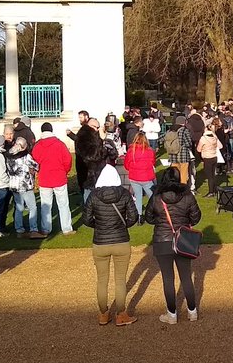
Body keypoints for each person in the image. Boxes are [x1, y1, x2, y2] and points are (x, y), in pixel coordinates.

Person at [144, 168, 202, 323]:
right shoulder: (187, 195)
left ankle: (172, 314)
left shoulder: (157, 196)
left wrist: (161, 222)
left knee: (167, 279)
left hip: (162, 241)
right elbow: (196, 217)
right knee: (186, 277)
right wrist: (185, 223)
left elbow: (148, 217)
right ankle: (192, 311)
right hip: (182, 241)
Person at [84, 164, 139, 326]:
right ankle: (121, 314)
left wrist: (99, 226)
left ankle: (103, 313)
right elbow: (133, 216)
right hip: (121, 240)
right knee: (120, 280)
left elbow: (86, 219)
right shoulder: (124, 194)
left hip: (100, 242)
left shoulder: (94, 195)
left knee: (102, 280)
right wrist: (123, 226)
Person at [34, 122, 75, 236]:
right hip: (59, 177)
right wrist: (64, 171)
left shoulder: (38, 146)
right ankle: (66, 228)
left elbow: (34, 162)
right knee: (63, 205)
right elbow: (68, 160)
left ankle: (46, 228)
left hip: (45, 178)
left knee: (46, 205)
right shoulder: (59, 144)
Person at [7, 137, 44, 238]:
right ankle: (33, 229)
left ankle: (19, 229)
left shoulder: (9, 156)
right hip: (25, 184)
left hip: (14, 185)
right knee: (33, 207)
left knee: (19, 208)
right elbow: (36, 166)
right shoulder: (26, 156)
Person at [124, 131, 156, 219]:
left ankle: (139, 216)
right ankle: (155, 213)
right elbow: (153, 162)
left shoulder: (131, 151)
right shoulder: (150, 151)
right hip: (146, 177)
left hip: (134, 177)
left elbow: (126, 164)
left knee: (138, 196)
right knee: (152, 196)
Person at [195, 121, 223, 197]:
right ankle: (214, 189)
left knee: (209, 176)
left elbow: (198, 149)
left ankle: (211, 191)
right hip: (214, 157)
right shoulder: (214, 137)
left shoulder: (203, 138)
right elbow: (220, 146)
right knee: (213, 175)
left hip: (207, 158)